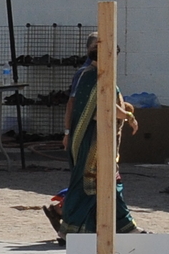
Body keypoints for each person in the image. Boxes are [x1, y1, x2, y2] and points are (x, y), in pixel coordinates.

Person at [53, 35, 137, 238]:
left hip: (101, 140)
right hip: (92, 141)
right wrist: (129, 116)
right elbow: (102, 107)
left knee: (110, 183)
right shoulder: (91, 76)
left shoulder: (98, 74)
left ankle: (124, 226)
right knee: (88, 184)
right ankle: (71, 228)